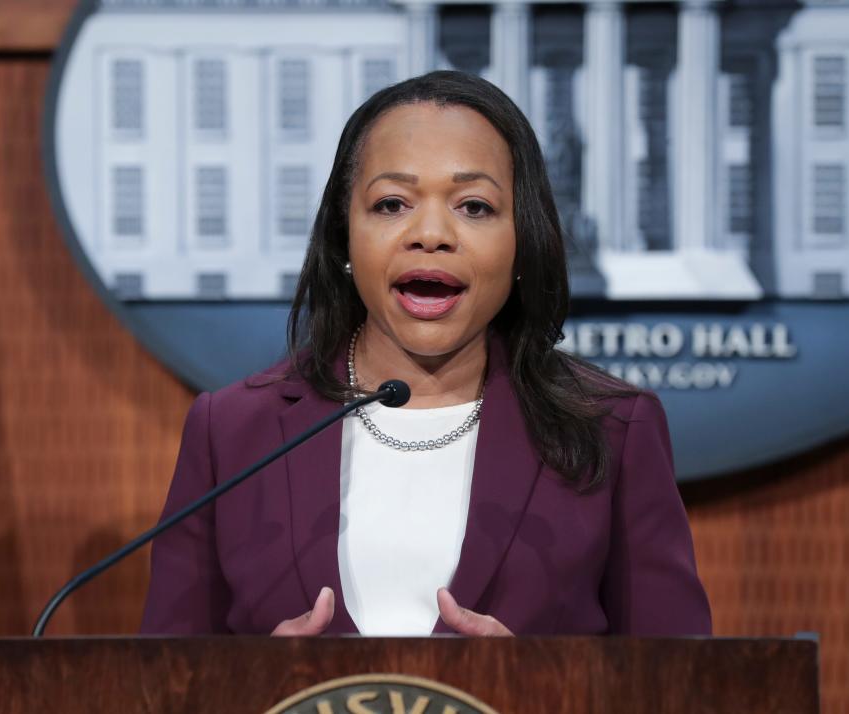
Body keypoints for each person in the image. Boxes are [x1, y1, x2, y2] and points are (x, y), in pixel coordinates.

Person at [141, 70, 711, 637]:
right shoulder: (235, 434)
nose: (431, 233)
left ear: (522, 241)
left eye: (474, 206)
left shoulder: (611, 430)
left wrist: (542, 691)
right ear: (344, 237)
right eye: (391, 204)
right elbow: (161, 690)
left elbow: (684, 690)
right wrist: (252, 692)